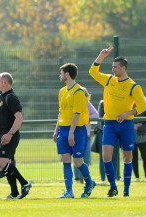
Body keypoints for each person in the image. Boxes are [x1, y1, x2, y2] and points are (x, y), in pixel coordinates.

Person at [89, 47, 146, 197]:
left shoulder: (133, 86)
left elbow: (142, 106)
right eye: (112, 67)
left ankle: (126, 190)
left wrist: (127, 113)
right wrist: (101, 56)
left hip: (126, 125)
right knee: (106, 156)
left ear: (123, 68)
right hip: (109, 124)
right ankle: (113, 187)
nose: (112, 69)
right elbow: (93, 72)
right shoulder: (109, 80)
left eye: (115, 67)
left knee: (127, 157)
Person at [0, 49, 31, 200]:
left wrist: (10, 134)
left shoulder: (11, 97)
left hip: (9, 134)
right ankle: (14, 193)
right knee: (6, 164)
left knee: (2, 162)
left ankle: (25, 183)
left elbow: (19, 118)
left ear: (4, 83)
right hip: (2, 134)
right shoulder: (1, 94)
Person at [53, 63, 95, 199]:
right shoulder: (62, 91)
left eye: (61, 73)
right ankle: (69, 191)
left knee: (77, 161)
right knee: (65, 159)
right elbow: (60, 112)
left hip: (76, 130)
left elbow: (77, 114)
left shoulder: (79, 92)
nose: (59, 76)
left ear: (67, 74)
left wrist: (71, 132)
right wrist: (56, 130)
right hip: (63, 129)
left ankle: (89, 182)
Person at [73, 87, 98, 183]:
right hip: (75, 135)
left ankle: (85, 178)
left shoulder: (87, 104)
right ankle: (77, 178)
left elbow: (96, 115)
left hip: (86, 135)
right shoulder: (74, 104)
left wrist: (84, 118)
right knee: (76, 158)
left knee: (86, 158)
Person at [95, 100, 119, 182]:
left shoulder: (118, 102)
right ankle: (103, 178)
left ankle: (114, 177)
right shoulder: (103, 103)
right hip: (104, 132)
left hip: (115, 132)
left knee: (114, 156)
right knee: (104, 156)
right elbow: (101, 119)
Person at [133, 106, 146, 182]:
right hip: (132, 137)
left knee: (145, 157)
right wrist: (133, 126)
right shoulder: (128, 106)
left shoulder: (145, 107)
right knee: (134, 158)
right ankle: (137, 177)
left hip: (143, 137)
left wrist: (140, 127)